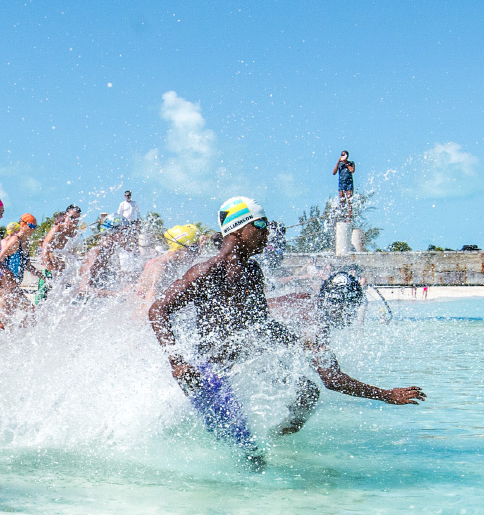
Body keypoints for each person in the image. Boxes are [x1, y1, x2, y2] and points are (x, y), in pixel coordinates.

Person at [148, 198, 419, 469]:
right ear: (238, 229)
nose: (267, 233)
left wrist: (301, 342)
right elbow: (157, 310)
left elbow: (261, 325)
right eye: (261, 225)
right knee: (253, 458)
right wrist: (178, 362)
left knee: (308, 393)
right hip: (207, 376)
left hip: (242, 366)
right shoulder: (208, 271)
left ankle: (276, 441)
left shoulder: (252, 272)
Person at [263, 270, 428, 432]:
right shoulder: (318, 324)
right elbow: (331, 379)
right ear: (343, 305)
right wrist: (386, 395)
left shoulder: (305, 301)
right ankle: (270, 442)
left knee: (298, 384)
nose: (351, 316)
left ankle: (266, 438)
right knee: (308, 395)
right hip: (250, 353)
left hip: (248, 344)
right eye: (352, 309)